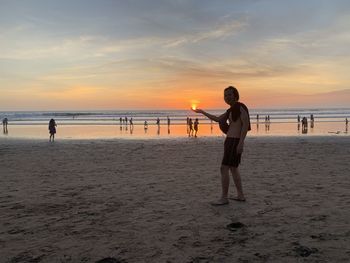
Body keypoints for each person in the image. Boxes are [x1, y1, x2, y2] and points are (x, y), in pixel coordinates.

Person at [192, 86, 250, 205]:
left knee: (224, 168)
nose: (227, 97)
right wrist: (202, 112)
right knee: (233, 168)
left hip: (234, 141)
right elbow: (218, 119)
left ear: (235, 95)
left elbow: (245, 125)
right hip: (230, 140)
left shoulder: (240, 107)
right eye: (225, 95)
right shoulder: (230, 110)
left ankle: (224, 198)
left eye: (229, 94)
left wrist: (241, 143)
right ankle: (240, 195)